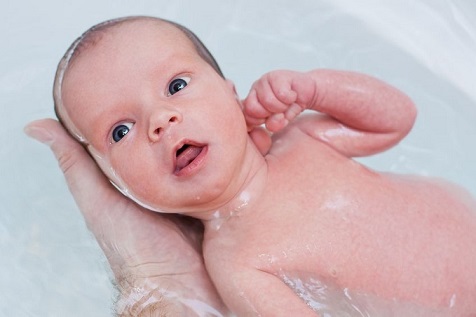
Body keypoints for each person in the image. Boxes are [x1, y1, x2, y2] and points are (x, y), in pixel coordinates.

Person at [26, 16, 476, 316]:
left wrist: (316, 89)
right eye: (120, 131)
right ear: (117, 184)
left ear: (230, 90)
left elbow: (397, 119)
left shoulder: (302, 139)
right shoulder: (236, 265)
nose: (159, 121)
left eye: (176, 85)